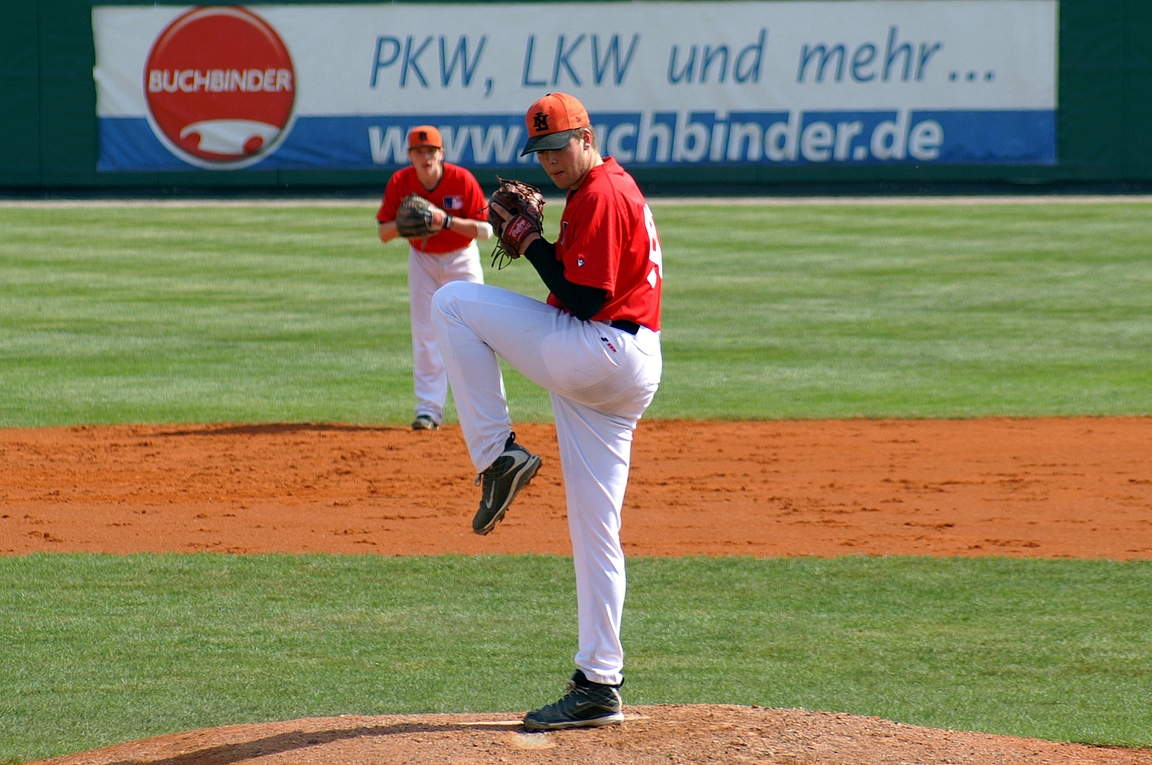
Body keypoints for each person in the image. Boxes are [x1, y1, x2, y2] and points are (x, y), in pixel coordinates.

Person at [430, 92, 663, 730]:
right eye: (541, 152)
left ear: (586, 138)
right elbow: (579, 282)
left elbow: (583, 298)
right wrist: (541, 243)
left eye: (559, 147)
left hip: (600, 349)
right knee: (595, 530)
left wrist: (530, 241)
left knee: (452, 303)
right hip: (623, 365)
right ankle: (600, 682)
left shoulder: (601, 193)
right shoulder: (602, 189)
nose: (551, 161)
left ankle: (496, 455)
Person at [376, 126, 493, 431]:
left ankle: (485, 411)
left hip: (461, 258)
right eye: (419, 152)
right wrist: (409, 223)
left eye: (431, 151)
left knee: (475, 332)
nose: (425, 157)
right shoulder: (400, 182)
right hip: (423, 260)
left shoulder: (461, 179)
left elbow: (486, 231)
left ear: (442, 153)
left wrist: (445, 220)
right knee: (425, 333)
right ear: (409, 156)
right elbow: (383, 232)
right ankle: (428, 410)